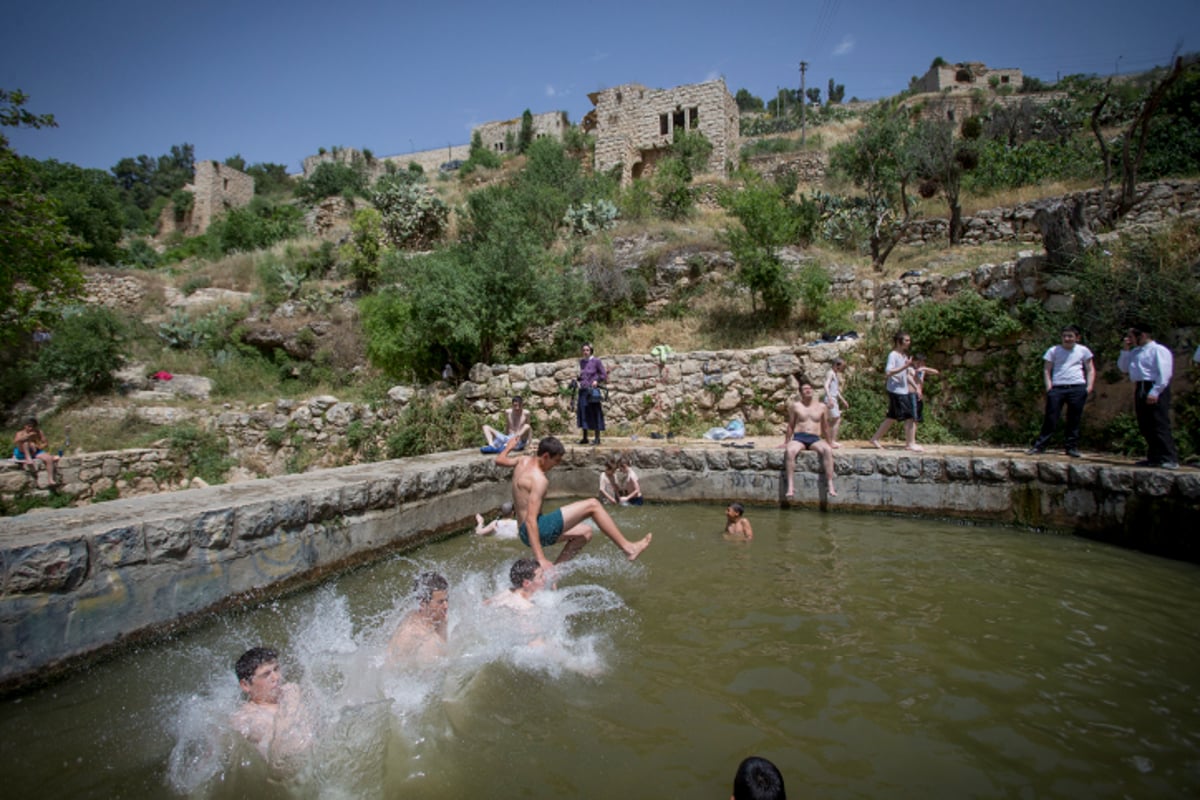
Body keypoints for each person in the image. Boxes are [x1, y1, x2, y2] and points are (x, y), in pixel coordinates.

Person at [498, 435, 651, 574]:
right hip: (536, 529)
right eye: (556, 461)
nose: (556, 465)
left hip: (524, 532)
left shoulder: (522, 460)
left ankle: (553, 574)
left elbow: (500, 460)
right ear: (545, 456)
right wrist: (541, 559)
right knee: (593, 505)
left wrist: (509, 446)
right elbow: (531, 520)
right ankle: (628, 548)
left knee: (585, 533)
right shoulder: (539, 480)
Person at [230, 647, 314, 765]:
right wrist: (292, 704)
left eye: (276, 669)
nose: (276, 678)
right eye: (266, 674)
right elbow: (283, 755)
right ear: (245, 685)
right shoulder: (246, 718)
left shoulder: (288, 692)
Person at [1026, 325, 1095, 458]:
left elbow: (1090, 369)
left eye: (1070, 336)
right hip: (1058, 387)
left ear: (1077, 338)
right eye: (1065, 336)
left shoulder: (1083, 350)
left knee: (1074, 419)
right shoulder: (1054, 350)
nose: (1067, 339)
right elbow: (1047, 369)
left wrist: (1089, 386)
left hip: (1077, 386)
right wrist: (1049, 387)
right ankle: (1040, 446)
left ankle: (1071, 447)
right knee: (1051, 418)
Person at [1118, 323, 1179, 469]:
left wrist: (1155, 391)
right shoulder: (1135, 352)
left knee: (1159, 422)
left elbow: (1164, 373)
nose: (1129, 339)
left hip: (1154, 385)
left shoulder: (1158, 350)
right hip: (1141, 386)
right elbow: (1123, 367)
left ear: (1143, 335)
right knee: (1145, 423)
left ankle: (1169, 457)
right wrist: (1125, 350)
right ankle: (1154, 456)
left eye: (1132, 336)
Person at [784, 377, 837, 499]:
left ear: (813, 391)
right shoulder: (796, 406)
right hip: (799, 437)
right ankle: (790, 486)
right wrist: (786, 442)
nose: (808, 391)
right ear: (801, 393)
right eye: (805, 389)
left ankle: (830, 484)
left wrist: (830, 442)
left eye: (809, 388)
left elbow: (825, 426)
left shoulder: (822, 407)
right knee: (790, 451)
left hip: (815, 438)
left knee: (827, 451)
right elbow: (791, 425)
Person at [869, 331, 922, 452]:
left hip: (902, 390)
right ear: (899, 342)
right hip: (896, 391)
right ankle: (910, 444)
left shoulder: (903, 356)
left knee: (891, 417)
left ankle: (875, 439)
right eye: (907, 340)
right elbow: (888, 372)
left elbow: (906, 374)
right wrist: (904, 366)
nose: (909, 343)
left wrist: (916, 387)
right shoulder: (893, 355)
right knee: (910, 416)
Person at [386, 572, 449, 663]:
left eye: (447, 600)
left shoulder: (439, 618)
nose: (446, 606)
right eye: (440, 602)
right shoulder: (413, 634)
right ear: (423, 604)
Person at [12, 417, 61, 486]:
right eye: (29, 426)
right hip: (22, 451)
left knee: (49, 458)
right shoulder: (20, 433)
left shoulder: (38, 432)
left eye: (33, 427)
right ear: (25, 426)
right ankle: (28, 458)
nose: (31, 428)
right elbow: (16, 441)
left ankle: (50, 479)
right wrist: (28, 436)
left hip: (34, 451)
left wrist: (39, 446)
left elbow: (45, 443)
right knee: (25, 442)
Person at [575, 343, 607, 446]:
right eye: (584, 350)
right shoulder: (582, 362)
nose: (585, 352)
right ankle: (585, 437)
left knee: (595, 412)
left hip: (592, 391)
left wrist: (596, 381)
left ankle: (597, 438)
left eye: (587, 350)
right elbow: (583, 375)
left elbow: (603, 374)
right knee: (583, 413)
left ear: (591, 351)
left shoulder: (596, 361)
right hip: (583, 390)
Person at [907, 354, 941, 428]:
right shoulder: (910, 369)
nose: (920, 363)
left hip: (919, 396)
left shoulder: (923, 370)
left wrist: (925, 369)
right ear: (914, 361)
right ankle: (910, 438)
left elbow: (936, 372)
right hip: (912, 394)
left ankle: (912, 437)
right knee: (913, 418)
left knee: (917, 418)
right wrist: (916, 372)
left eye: (922, 362)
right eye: (918, 361)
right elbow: (910, 378)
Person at [823, 357, 849, 448]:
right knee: (836, 419)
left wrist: (843, 400)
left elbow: (836, 390)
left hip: (833, 398)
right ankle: (831, 441)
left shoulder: (834, 374)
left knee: (834, 419)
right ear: (836, 365)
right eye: (841, 367)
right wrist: (829, 398)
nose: (842, 369)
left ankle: (829, 440)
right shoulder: (830, 373)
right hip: (831, 399)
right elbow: (826, 385)